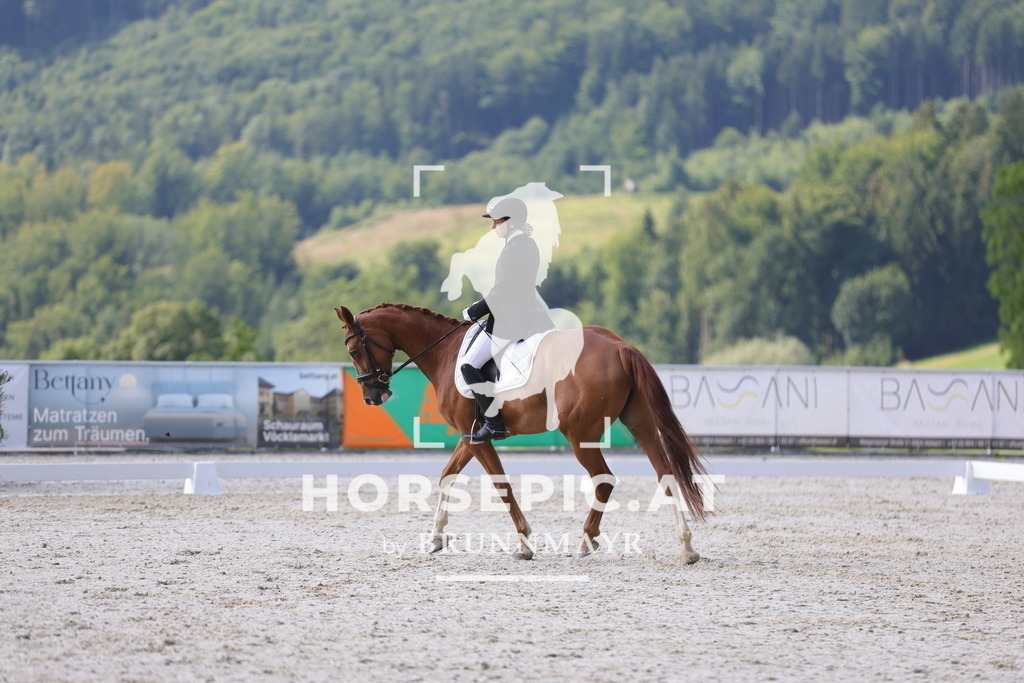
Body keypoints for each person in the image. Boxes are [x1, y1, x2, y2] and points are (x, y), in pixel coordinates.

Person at [461, 195, 556, 442]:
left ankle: (494, 423)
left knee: (469, 365)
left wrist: (474, 311)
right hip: (530, 314)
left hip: (510, 320)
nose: (493, 226)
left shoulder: (516, 248)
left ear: (511, 222)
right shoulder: (525, 244)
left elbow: (503, 290)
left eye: (496, 222)